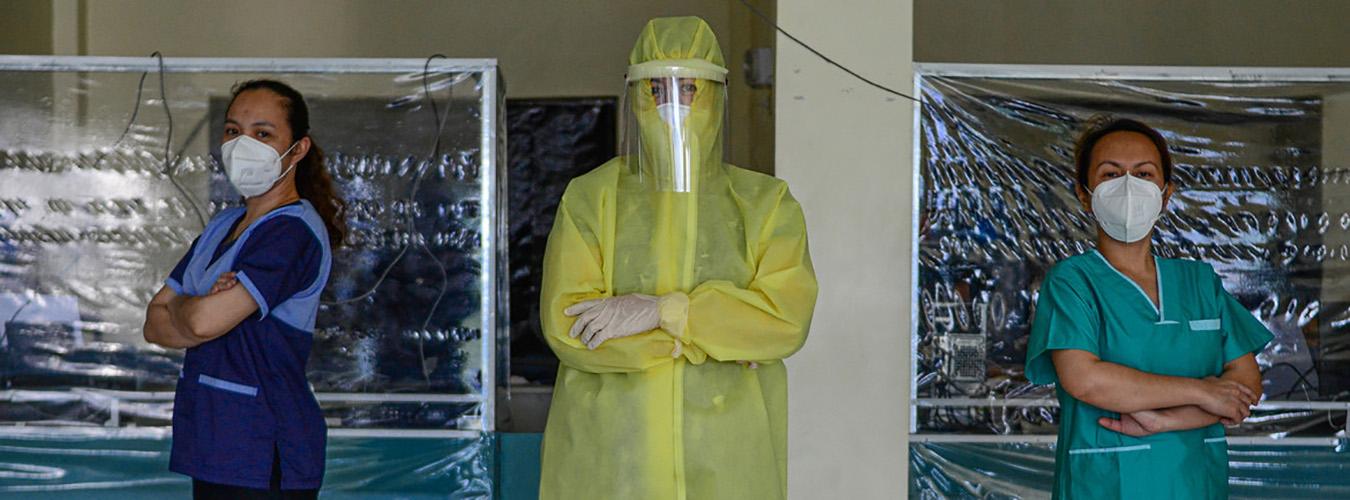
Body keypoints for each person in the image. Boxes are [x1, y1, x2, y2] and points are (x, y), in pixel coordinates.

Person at [537, 16, 818, 500]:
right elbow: (569, 328)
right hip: (614, 461)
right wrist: (715, 335)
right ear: (637, 97)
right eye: (657, 90)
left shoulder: (765, 204)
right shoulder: (591, 199)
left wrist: (657, 311)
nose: (673, 105)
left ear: (716, 95)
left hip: (727, 460)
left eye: (689, 89)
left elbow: (784, 320)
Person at [1025, 117, 1273, 499]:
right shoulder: (1073, 281)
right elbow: (1086, 380)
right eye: (1111, 174)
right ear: (1084, 193)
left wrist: (1167, 420)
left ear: (1165, 192)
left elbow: (1245, 386)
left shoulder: (1199, 282)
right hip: (1105, 484)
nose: (1128, 186)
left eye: (1143, 173)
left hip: (1195, 483)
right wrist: (1203, 391)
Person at [143, 79, 344, 499]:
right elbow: (153, 324)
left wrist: (188, 309)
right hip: (214, 441)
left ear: (298, 149)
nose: (242, 145)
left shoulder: (292, 231)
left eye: (263, 134)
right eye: (233, 131)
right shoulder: (222, 226)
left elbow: (195, 323)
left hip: (263, 445)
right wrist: (197, 309)